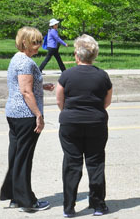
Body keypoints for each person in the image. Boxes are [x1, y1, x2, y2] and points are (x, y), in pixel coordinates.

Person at [55, 34, 113, 217]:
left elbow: (59, 101)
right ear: (94, 55)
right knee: (95, 163)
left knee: (72, 164)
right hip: (96, 123)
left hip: (70, 124)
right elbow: (107, 101)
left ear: (76, 55)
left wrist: (71, 112)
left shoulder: (66, 75)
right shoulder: (103, 76)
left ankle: (69, 207)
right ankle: (98, 205)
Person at [0, 26, 54, 212]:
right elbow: (25, 91)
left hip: (14, 114)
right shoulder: (25, 62)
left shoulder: (18, 58)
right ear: (24, 42)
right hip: (25, 115)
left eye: (39, 41)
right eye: (35, 42)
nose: (38, 45)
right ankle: (27, 201)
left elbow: (23, 85)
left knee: (16, 156)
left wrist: (42, 85)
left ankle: (15, 196)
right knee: (24, 158)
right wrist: (38, 115)